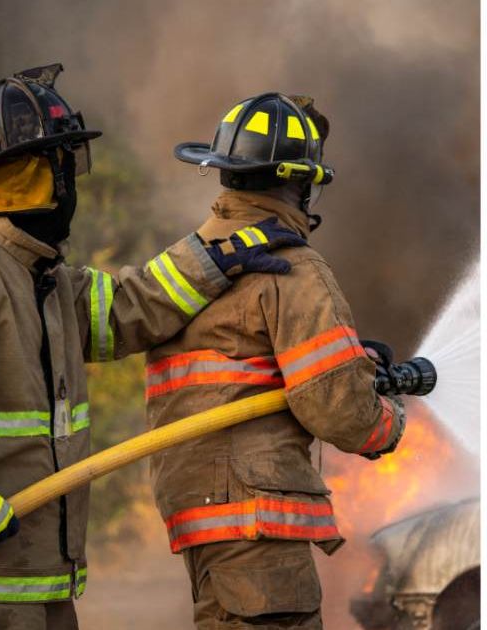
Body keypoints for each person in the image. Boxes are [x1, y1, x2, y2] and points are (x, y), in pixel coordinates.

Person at [0, 66, 305, 630]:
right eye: (67, 166)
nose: (73, 184)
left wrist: (215, 258)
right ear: (40, 176)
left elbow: (127, 310)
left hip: (37, 588)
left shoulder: (42, 277)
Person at [148, 93, 407, 629]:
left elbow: (248, 363)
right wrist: (389, 421)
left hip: (205, 516)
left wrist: (352, 359)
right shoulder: (293, 268)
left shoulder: (191, 261)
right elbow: (338, 408)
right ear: (299, 181)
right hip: (257, 520)